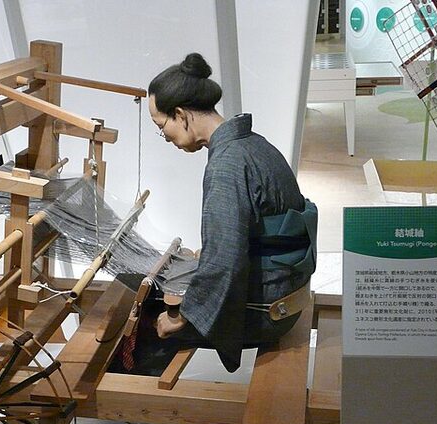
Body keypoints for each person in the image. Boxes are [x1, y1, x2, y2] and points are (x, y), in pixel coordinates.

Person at [129, 52, 317, 375]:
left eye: (162, 128)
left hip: (270, 311)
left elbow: (224, 263)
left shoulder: (226, 166)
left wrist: (181, 316)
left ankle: (134, 411)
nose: (167, 138)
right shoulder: (254, 145)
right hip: (290, 294)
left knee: (149, 317)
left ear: (180, 115)